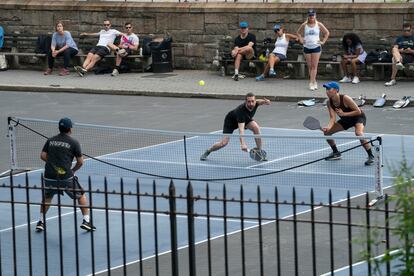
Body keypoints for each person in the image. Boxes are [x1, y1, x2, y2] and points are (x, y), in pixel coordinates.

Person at [36, 117, 96, 232]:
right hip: (65, 177)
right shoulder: (74, 142)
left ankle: (41, 222)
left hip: (49, 175)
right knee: (81, 195)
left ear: (59, 128)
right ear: (70, 129)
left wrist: (54, 165)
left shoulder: (50, 140)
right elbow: (80, 162)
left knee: (48, 197)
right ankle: (86, 221)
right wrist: (73, 170)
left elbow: (43, 156)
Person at [200, 93, 270, 161]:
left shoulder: (256, 103)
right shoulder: (241, 111)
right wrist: (243, 144)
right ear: (245, 102)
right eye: (249, 102)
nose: (251, 103)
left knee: (256, 128)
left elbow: (260, 101)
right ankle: (208, 151)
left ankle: (260, 151)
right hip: (231, 122)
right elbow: (241, 130)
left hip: (246, 118)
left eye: (252, 101)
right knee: (223, 143)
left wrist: (265, 102)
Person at [322, 82, 374, 166]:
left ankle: (371, 156)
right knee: (327, 133)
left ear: (336, 90)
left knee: (359, 133)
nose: (327, 91)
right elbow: (332, 118)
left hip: (358, 117)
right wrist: (328, 127)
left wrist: (343, 114)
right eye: (326, 89)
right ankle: (336, 152)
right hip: (346, 120)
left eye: (329, 89)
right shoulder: (329, 102)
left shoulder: (345, 98)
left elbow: (358, 111)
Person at [296, 9, 330, 91]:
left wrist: (323, 42)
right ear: (308, 16)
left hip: (316, 47)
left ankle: (311, 83)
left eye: (313, 15)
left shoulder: (319, 24)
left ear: (315, 16)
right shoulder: (304, 24)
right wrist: (301, 40)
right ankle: (314, 81)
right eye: (310, 16)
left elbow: (327, 33)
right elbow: (298, 33)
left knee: (314, 66)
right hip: (307, 47)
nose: (311, 17)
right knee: (310, 66)